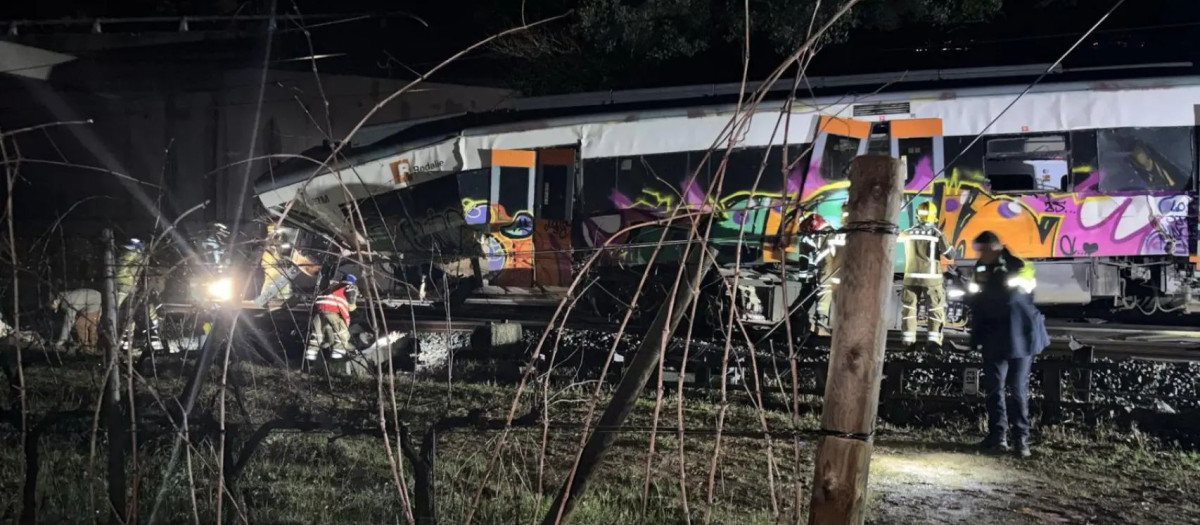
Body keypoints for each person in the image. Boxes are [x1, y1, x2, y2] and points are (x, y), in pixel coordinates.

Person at [968, 231, 1048, 458]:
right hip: (995, 336)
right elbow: (977, 297)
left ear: (994, 247)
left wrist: (989, 291)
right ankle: (998, 436)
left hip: (1019, 336)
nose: (979, 255)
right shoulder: (981, 267)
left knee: (1017, 389)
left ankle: (1021, 440)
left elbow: (1015, 297)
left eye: (982, 250)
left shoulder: (1019, 265)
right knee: (994, 388)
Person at [899, 201, 955, 351]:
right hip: (932, 279)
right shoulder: (937, 234)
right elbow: (950, 254)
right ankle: (933, 342)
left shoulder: (908, 232)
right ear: (934, 216)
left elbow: (895, 238)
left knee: (909, 309)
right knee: (935, 309)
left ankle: (908, 342)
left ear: (918, 215)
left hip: (910, 278)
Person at [813, 203, 849, 335]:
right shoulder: (859, 236)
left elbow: (826, 256)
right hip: (849, 278)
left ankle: (821, 321)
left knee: (826, 294)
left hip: (834, 276)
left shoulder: (834, 235)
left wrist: (821, 272)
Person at [305, 274, 359, 361]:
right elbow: (351, 301)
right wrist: (352, 305)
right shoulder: (349, 286)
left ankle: (311, 352)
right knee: (342, 332)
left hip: (320, 311)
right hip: (333, 311)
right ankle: (338, 351)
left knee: (317, 333)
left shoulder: (331, 286)